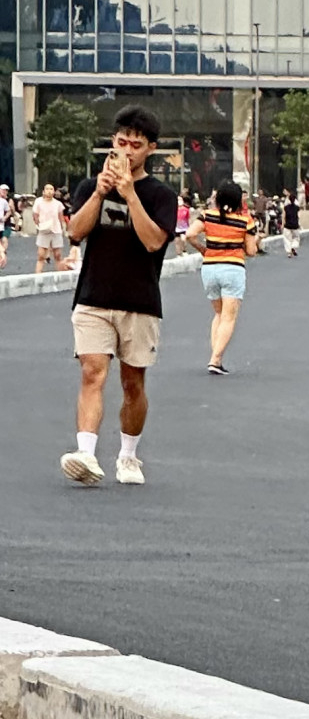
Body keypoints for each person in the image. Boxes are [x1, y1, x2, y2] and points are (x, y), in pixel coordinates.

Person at [59, 106, 177, 487]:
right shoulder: (87, 187)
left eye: (136, 145)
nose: (127, 150)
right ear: (113, 142)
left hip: (139, 301)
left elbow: (154, 240)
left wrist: (128, 193)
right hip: (94, 296)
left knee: (132, 383)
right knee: (92, 372)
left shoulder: (161, 195)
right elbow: (75, 232)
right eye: (121, 142)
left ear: (150, 149)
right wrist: (100, 192)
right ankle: (86, 454)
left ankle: (128, 455)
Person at [186, 179, 259, 375]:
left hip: (209, 268)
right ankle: (215, 359)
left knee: (218, 314)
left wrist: (203, 249)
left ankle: (215, 357)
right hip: (233, 269)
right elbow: (252, 251)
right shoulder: (245, 220)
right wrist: (254, 239)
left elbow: (190, 234)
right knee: (229, 317)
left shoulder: (207, 216)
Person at [32, 182, 68, 273]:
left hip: (56, 231)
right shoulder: (38, 201)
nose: (49, 191)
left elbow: (61, 217)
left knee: (58, 255)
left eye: (51, 189)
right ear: (43, 191)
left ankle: (60, 276)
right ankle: (38, 276)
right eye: (47, 189)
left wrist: (63, 228)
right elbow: (35, 214)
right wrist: (38, 224)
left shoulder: (58, 204)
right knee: (41, 255)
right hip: (44, 230)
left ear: (54, 192)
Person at [280, 191, 301, 257]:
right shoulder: (297, 208)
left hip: (287, 225)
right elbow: (299, 216)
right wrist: (299, 224)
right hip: (295, 225)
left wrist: (282, 224)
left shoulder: (286, 207)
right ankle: (293, 247)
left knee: (287, 239)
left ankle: (289, 252)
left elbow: (283, 216)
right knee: (296, 238)